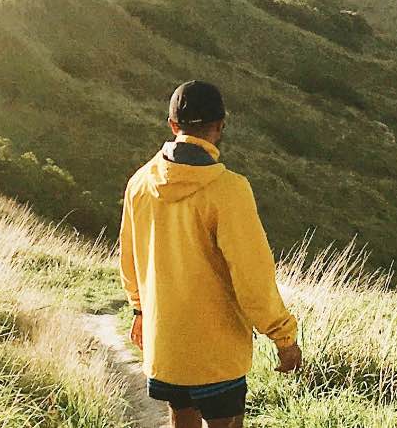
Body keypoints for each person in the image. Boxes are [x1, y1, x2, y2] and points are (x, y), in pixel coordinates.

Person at [119, 80, 302, 427]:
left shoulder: (140, 183)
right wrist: (283, 336)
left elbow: (129, 259)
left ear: (173, 127)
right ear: (219, 127)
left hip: (167, 346)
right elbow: (252, 275)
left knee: (180, 420)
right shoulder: (229, 190)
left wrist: (140, 311)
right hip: (217, 352)